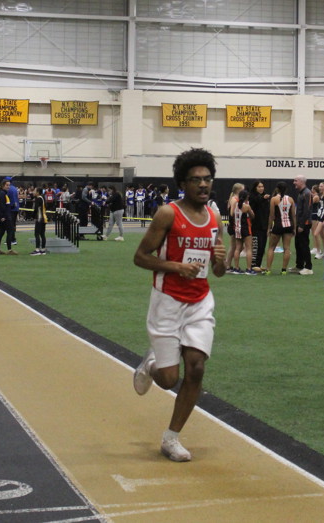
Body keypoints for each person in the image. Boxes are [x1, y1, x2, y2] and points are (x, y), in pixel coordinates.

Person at [131, 148, 227, 463]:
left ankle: (171, 438)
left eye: (207, 179)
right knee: (169, 379)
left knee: (196, 368)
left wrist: (221, 261)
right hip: (168, 301)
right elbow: (140, 257)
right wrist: (175, 267)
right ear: (183, 183)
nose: (203, 184)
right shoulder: (168, 214)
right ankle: (151, 365)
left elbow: (218, 270)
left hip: (200, 302)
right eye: (196, 180)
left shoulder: (215, 217)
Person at [265, 182, 295, 274]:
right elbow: (293, 216)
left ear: (277, 189)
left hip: (278, 226)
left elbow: (271, 215)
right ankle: (284, 270)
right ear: (286, 190)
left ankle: (268, 270)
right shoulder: (290, 199)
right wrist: (294, 228)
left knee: (271, 248)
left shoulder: (274, 199)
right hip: (288, 226)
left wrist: (269, 228)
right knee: (287, 248)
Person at [293, 175, 313, 275]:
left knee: (304, 245)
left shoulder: (307, 193)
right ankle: (299, 265)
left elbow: (307, 210)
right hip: (299, 223)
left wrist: (301, 225)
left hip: (304, 224)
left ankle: (308, 267)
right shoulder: (301, 193)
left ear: (301, 182)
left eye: (295, 181)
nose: (294, 182)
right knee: (298, 244)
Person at [248, 181, 270, 272]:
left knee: (262, 247)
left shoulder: (265, 198)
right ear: (255, 188)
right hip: (255, 225)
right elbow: (256, 201)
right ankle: (253, 264)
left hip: (264, 225)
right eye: (259, 187)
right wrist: (263, 198)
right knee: (256, 246)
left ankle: (258, 264)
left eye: (262, 186)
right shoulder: (252, 197)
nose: (261, 188)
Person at [0, 179, 17, 255]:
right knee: (10, 231)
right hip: (6, 216)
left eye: (9, 185)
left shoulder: (3, 193)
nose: (8, 187)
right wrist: (3, 216)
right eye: (7, 185)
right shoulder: (2, 193)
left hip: (5, 215)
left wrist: (12, 206)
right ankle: (9, 250)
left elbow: (6, 205)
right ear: (3, 185)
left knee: (1, 233)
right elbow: (2, 206)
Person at [311, 182, 324, 259]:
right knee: (322, 236)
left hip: (322, 217)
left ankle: (318, 252)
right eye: (319, 186)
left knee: (315, 234)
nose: (320, 187)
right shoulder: (321, 196)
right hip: (319, 216)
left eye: (321, 186)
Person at [30, 188, 48, 255]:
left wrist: (32, 216)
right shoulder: (42, 198)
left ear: (38, 192)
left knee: (37, 234)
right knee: (42, 234)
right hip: (44, 218)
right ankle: (43, 249)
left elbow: (36, 209)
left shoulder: (38, 198)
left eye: (34, 191)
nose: (33, 192)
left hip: (39, 218)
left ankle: (37, 250)